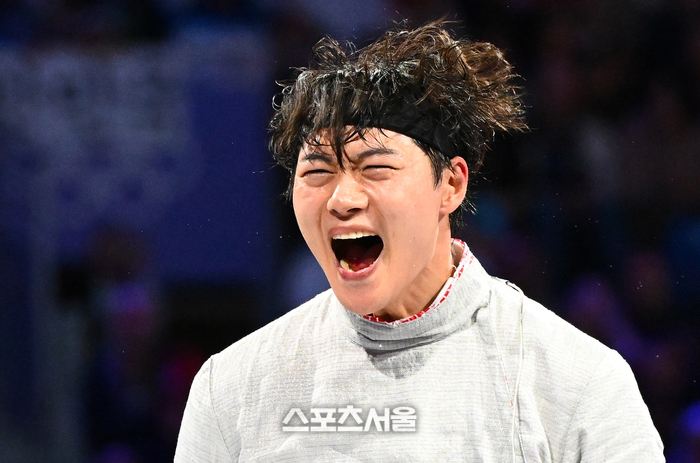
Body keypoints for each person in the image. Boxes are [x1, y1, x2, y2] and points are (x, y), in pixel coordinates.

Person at [175, 20, 664, 462]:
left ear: (450, 185)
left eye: (375, 168)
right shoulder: (232, 390)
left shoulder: (577, 383)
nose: (341, 199)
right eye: (317, 172)